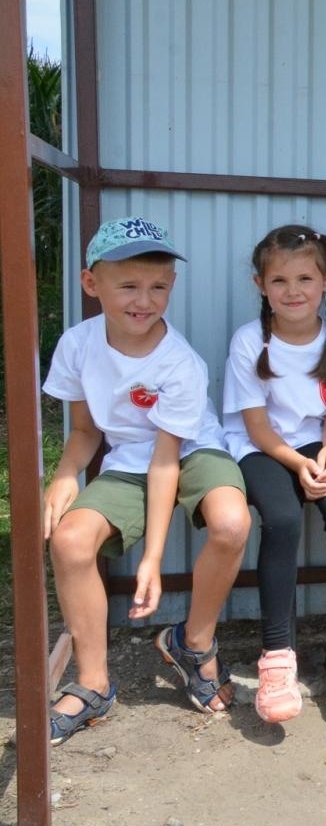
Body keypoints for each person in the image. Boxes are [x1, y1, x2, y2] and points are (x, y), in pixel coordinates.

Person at [43, 217, 252, 742]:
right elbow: (87, 428)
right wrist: (67, 472)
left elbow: (168, 462)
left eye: (158, 286)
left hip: (191, 448)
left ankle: (194, 643)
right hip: (131, 461)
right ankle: (93, 684)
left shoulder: (180, 362)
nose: (144, 299)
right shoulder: (76, 344)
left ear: (172, 287)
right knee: (69, 540)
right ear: (92, 284)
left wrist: (153, 559)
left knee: (230, 523)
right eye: (129, 286)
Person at [222, 226, 326, 723]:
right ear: (260, 285)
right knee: (284, 519)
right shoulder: (251, 342)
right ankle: (276, 656)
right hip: (260, 446)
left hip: (316, 441)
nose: (293, 291)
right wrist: (299, 465)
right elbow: (256, 426)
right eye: (280, 281)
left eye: (306, 279)